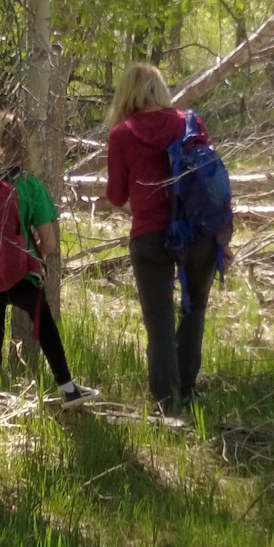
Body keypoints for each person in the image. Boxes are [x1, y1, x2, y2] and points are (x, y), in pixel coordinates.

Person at [0, 110, 98, 431]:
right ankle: (68, 388)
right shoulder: (28, 184)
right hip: (20, 274)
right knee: (45, 327)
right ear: (23, 144)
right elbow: (47, 243)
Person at [104, 62, 232, 412]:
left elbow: (115, 195)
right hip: (199, 232)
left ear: (126, 92)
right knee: (195, 310)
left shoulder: (121, 134)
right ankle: (188, 389)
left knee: (158, 318)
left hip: (150, 235)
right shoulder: (189, 122)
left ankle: (165, 402)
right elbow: (209, 181)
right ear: (159, 88)